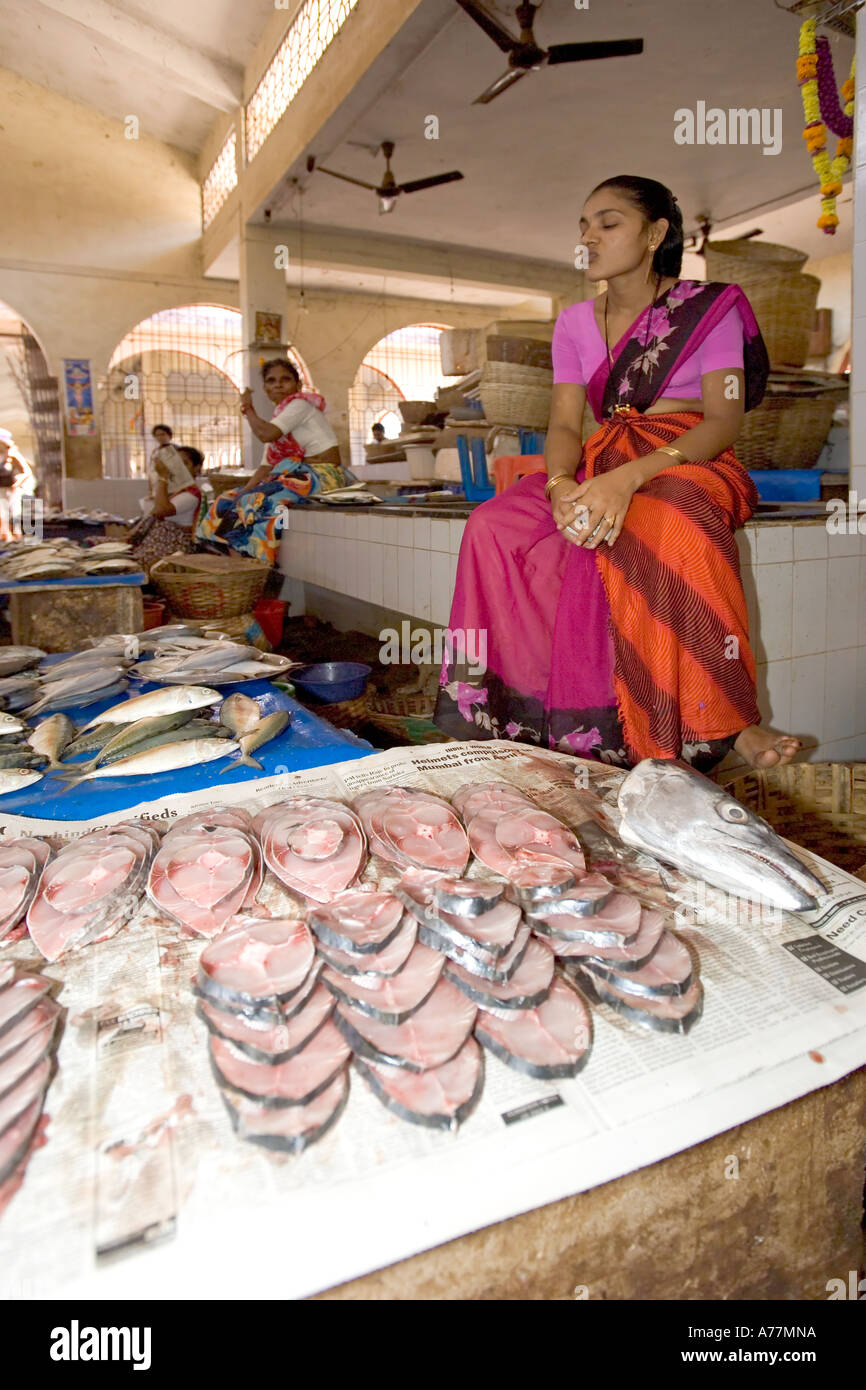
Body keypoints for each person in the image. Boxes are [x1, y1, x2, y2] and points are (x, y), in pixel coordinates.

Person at [434, 174, 799, 773]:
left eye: (608, 223)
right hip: (599, 455)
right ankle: (510, 712)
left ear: (656, 234)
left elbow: (725, 418)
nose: (589, 238)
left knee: (661, 521)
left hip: (686, 454)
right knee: (493, 525)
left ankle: (723, 722)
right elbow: (564, 425)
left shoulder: (712, 311)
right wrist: (558, 487)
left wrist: (628, 480)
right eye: (583, 225)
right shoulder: (574, 323)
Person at [198, 359, 352, 563]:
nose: (278, 385)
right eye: (271, 381)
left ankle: (256, 561)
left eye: (285, 379)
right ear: (266, 389)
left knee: (259, 501)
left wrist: (247, 408)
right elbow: (266, 466)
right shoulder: (279, 420)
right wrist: (244, 490)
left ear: (298, 386)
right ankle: (232, 558)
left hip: (323, 475)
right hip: (298, 477)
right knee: (227, 499)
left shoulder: (299, 405)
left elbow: (265, 434)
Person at [129, 448, 202, 574]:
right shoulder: (176, 491)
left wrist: (163, 477)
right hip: (155, 544)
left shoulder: (192, 495)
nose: (178, 469)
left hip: (171, 548)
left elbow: (160, 510)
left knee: (128, 566)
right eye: (175, 464)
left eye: (184, 464)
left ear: (196, 468)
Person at [0, 429, 36, 539]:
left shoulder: (12, 453)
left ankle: (16, 538)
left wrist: (16, 484)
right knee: (2, 516)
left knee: (14, 516)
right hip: (1, 490)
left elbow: (27, 472)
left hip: (12, 489)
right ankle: (6, 538)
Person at [149, 424, 190, 492]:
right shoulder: (155, 452)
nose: (160, 437)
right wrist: (150, 490)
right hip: (158, 484)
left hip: (174, 485)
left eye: (163, 434)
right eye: (157, 435)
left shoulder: (177, 450)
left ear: (170, 436)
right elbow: (152, 471)